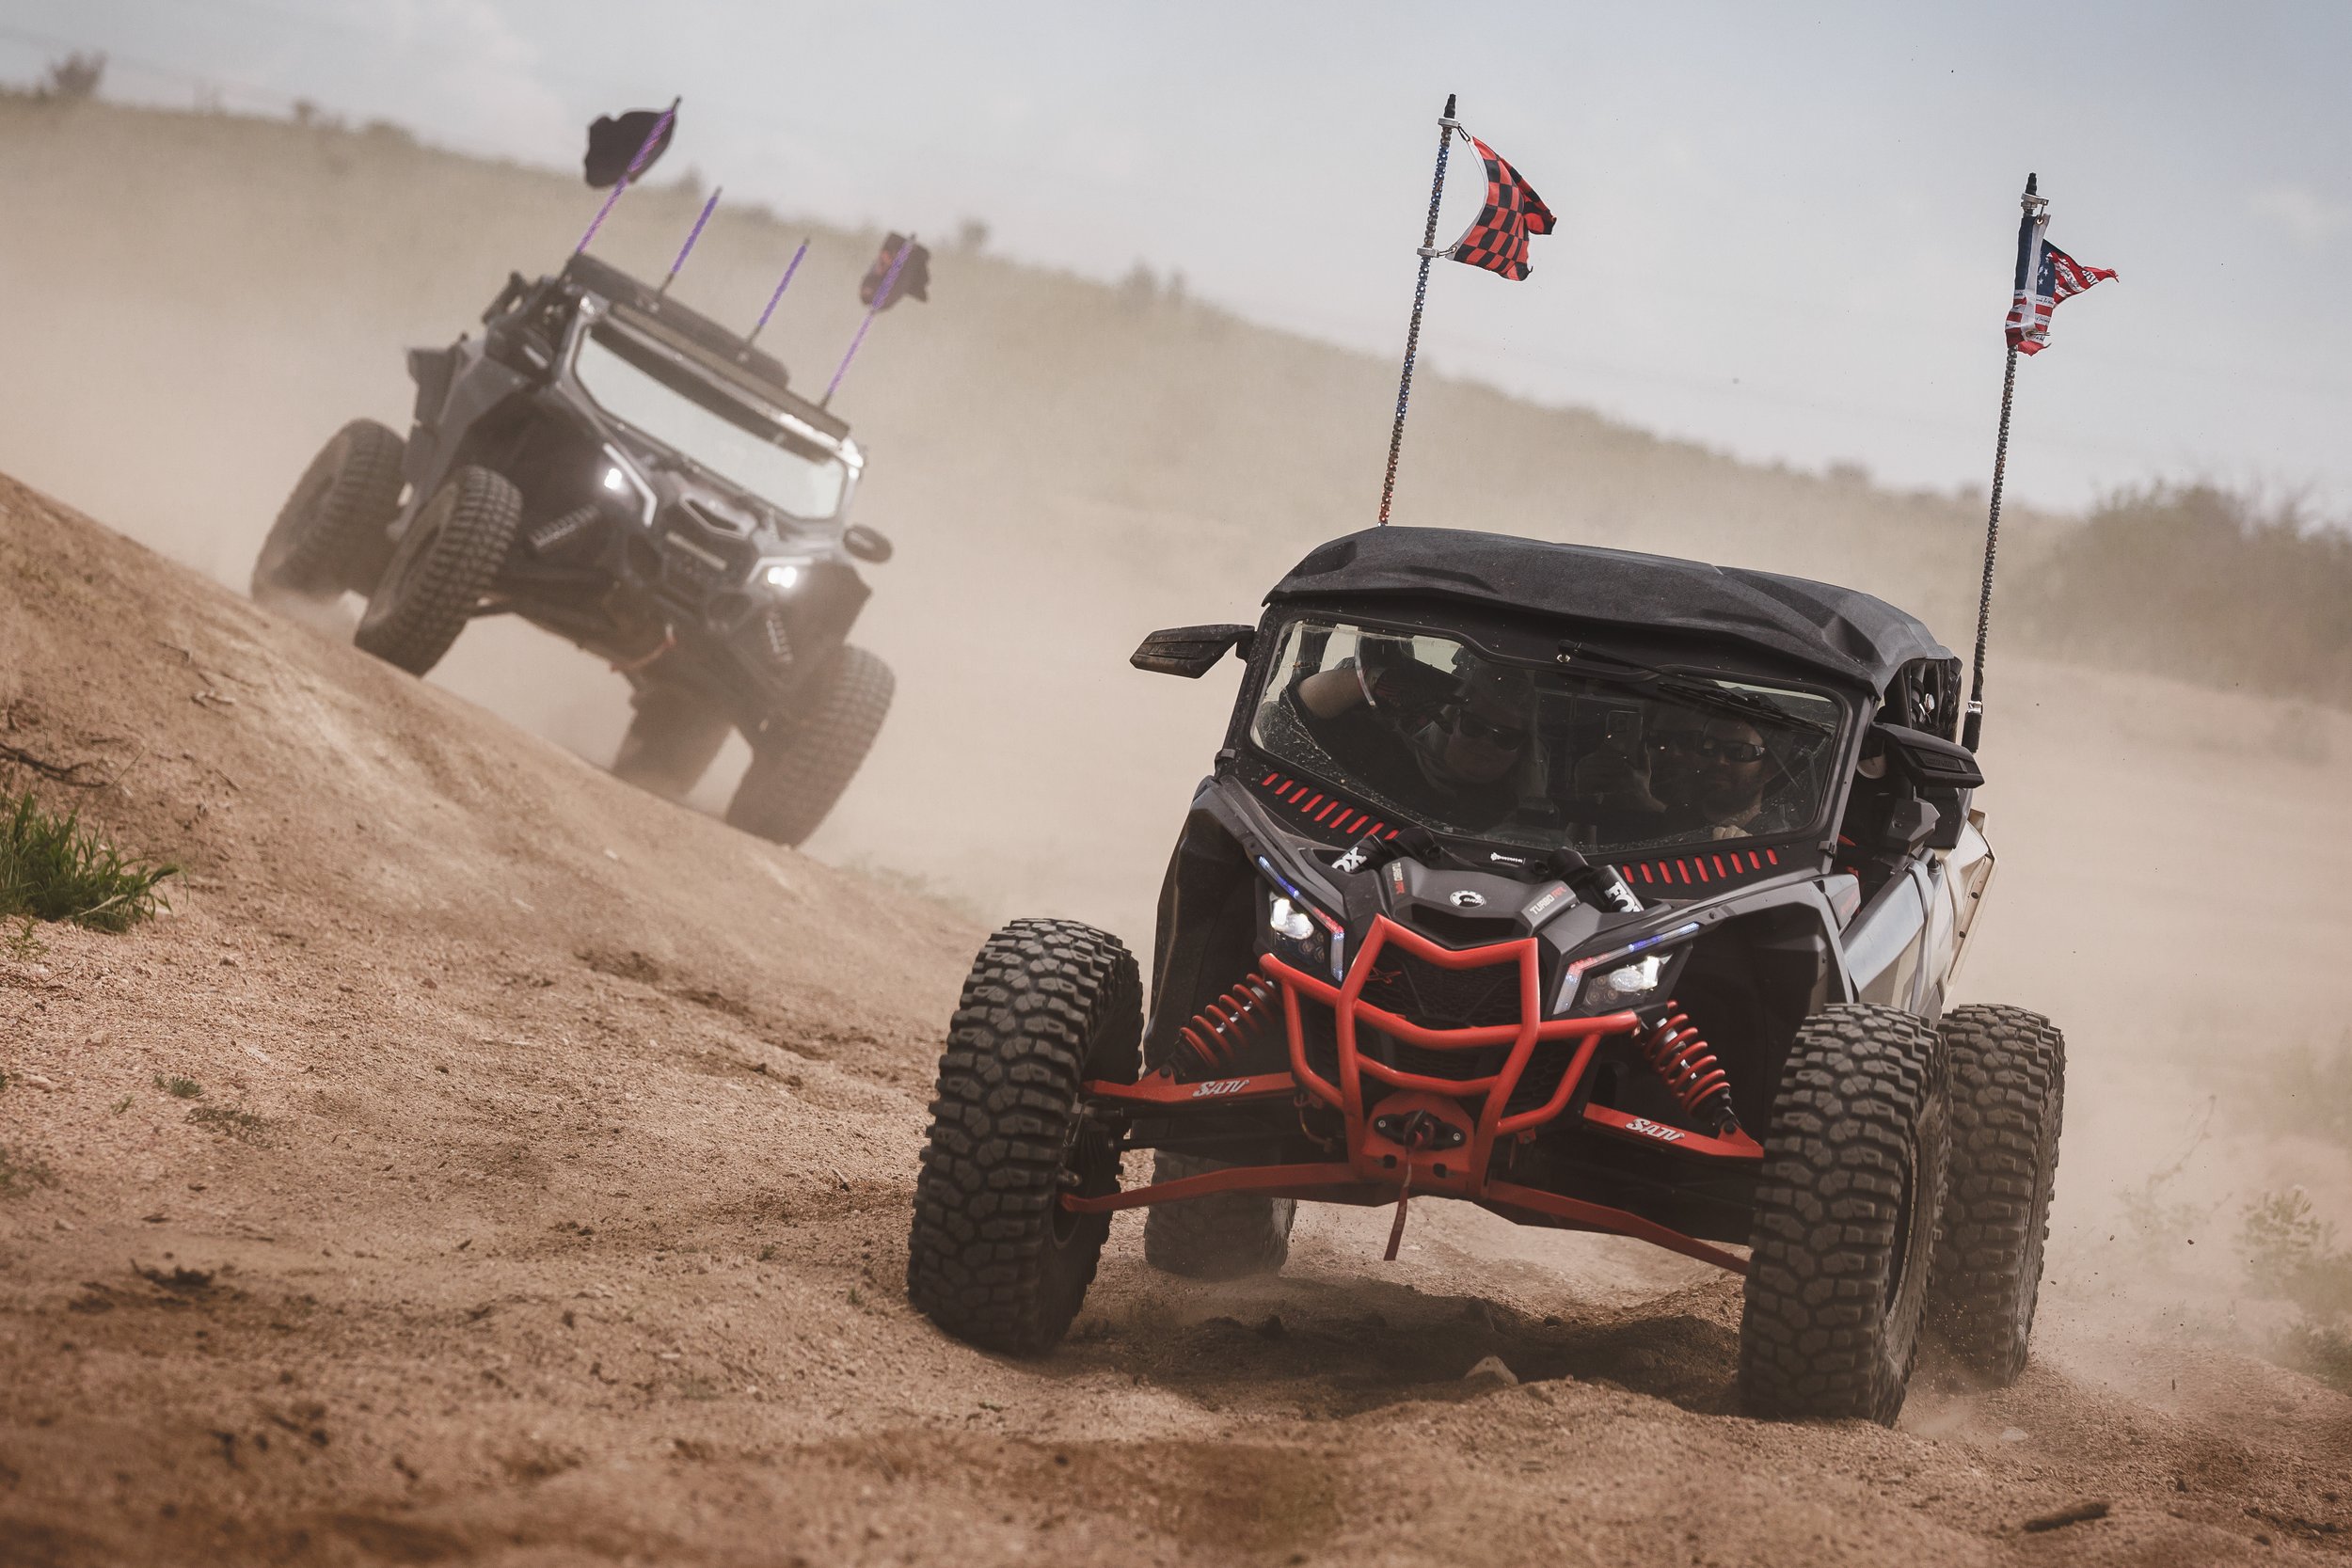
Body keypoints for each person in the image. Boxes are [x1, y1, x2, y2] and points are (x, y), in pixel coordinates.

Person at [1284, 641, 1532, 831]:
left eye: (1505, 738)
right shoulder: (1389, 750)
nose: (1484, 744)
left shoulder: (1514, 817)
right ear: (1453, 721)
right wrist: (1373, 681)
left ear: (1522, 751)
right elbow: (1293, 710)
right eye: (1474, 726)